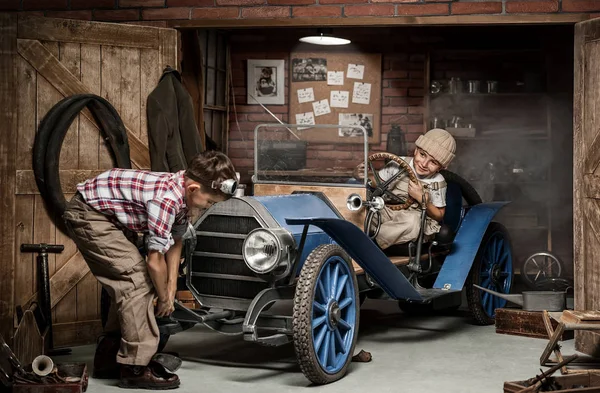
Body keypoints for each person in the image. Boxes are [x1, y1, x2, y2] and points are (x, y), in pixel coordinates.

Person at [62, 150, 237, 390]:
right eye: (209, 202)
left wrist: (171, 288)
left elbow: (176, 241)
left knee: (128, 285)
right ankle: (135, 367)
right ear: (194, 188)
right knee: (136, 280)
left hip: (110, 218)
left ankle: (109, 359)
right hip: (89, 215)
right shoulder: (165, 199)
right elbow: (155, 261)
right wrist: (163, 298)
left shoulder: (183, 193)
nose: (208, 207)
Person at [354, 128, 456, 250]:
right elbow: (379, 183)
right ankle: (360, 235)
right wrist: (363, 176)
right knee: (362, 211)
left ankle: (372, 242)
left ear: (441, 167)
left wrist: (422, 199)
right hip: (387, 209)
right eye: (422, 155)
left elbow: (439, 215)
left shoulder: (437, 181)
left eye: (433, 162)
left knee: (413, 222)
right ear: (416, 150)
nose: (424, 164)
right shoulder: (398, 163)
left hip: (413, 215)